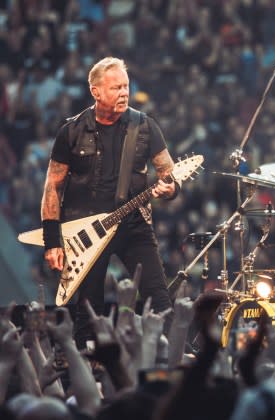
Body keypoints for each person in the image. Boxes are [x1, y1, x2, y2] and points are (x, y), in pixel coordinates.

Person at [40, 56, 176, 347]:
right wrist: (52, 240)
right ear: (96, 91)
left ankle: (171, 363)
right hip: (86, 232)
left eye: (126, 86)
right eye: (116, 88)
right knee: (89, 312)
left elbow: (169, 174)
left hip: (134, 224)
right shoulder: (71, 132)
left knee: (160, 300)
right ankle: (87, 377)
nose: (124, 93)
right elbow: (53, 187)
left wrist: (170, 189)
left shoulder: (144, 126)